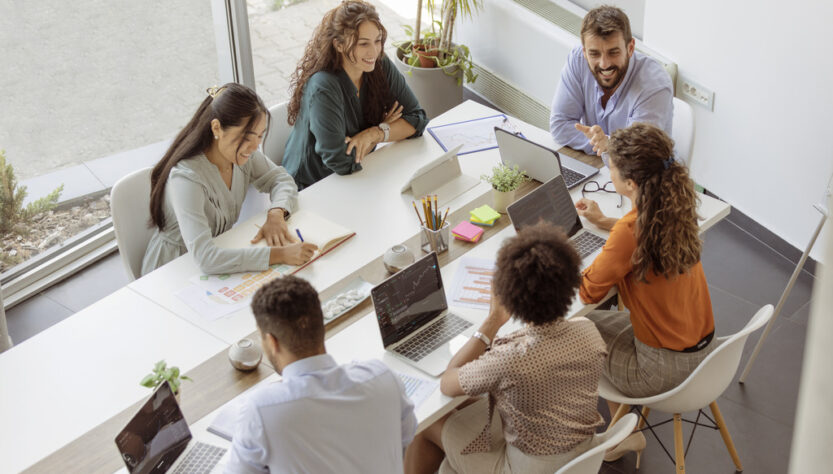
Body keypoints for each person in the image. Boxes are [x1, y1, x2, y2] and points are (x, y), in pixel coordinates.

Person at [405, 223, 607, 474]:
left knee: (424, 424)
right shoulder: (587, 330)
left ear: (510, 295)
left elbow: (448, 382)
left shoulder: (510, 359)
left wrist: (492, 322)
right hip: (580, 456)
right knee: (464, 403)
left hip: (524, 468)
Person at [577, 122, 716, 463]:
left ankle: (621, 435)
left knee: (573, 334)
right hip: (705, 351)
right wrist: (608, 224)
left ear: (630, 183)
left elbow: (588, 292)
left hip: (662, 368)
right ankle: (625, 431)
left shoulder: (629, 232)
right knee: (594, 325)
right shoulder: (676, 208)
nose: (608, 169)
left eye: (611, 166)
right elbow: (640, 231)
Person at [227, 275, 417, 473]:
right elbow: (405, 437)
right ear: (321, 327)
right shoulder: (383, 377)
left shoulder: (261, 410)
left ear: (272, 342)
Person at [142, 83, 318, 276]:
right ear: (217, 128)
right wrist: (280, 255)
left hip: (220, 259)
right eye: (247, 137)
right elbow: (206, 259)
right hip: (173, 271)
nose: (254, 146)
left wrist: (276, 213)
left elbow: (280, 179)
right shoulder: (186, 178)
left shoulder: (241, 155)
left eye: (260, 136)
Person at [282, 0, 428, 190]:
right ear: (339, 45)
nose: (374, 52)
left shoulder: (379, 65)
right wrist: (384, 128)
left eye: (377, 41)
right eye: (363, 44)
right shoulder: (324, 86)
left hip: (357, 174)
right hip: (311, 187)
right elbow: (341, 161)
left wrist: (374, 133)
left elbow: (417, 119)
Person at [550, 5, 672, 158]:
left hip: (645, 176)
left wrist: (609, 145)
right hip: (600, 165)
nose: (604, 64)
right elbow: (560, 125)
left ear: (630, 48)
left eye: (613, 52)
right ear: (584, 52)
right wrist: (606, 147)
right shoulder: (577, 59)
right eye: (594, 54)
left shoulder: (654, 84)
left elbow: (637, 156)